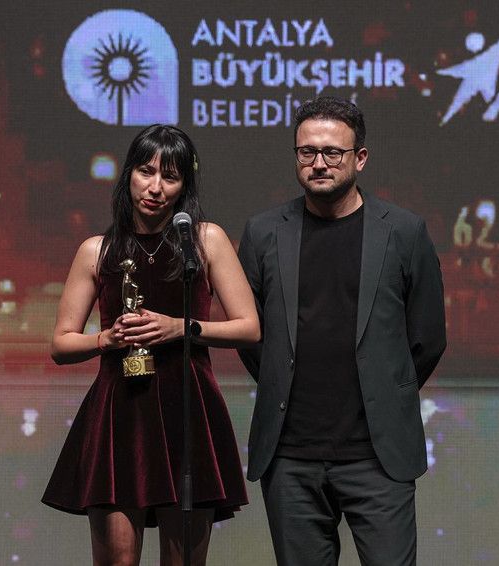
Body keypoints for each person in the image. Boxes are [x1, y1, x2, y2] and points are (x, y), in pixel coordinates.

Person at [237, 97, 446, 565]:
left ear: (360, 158)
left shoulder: (404, 231)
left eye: (333, 152)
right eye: (307, 151)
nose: (319, 163)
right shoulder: (264, 232)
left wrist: (385, 390)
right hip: (290, 456)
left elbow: (428, 337)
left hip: (378, 455)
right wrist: (281, 381)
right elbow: (252, 338)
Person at [43, 124, 260, 566]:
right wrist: (106, 339)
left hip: (189, 410)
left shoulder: (206, 240)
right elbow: (61, 344)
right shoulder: (97, 250)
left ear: (184, 186)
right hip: (119, 413)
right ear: (129, 175)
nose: (155, 187)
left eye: (170, 177)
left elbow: (249, 328)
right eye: (146, 172)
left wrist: (181, 328)